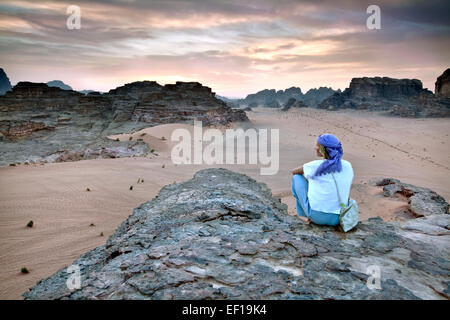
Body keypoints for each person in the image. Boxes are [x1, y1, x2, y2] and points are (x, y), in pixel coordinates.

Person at [291, 134, 354, 226]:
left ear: (323, 149)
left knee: (297, 178)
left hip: (318, 217)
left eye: (317, 146)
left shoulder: (315, 165)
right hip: (339, 218)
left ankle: (307, 215)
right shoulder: (347, 165)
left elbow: (294, 172)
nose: (315, 148)